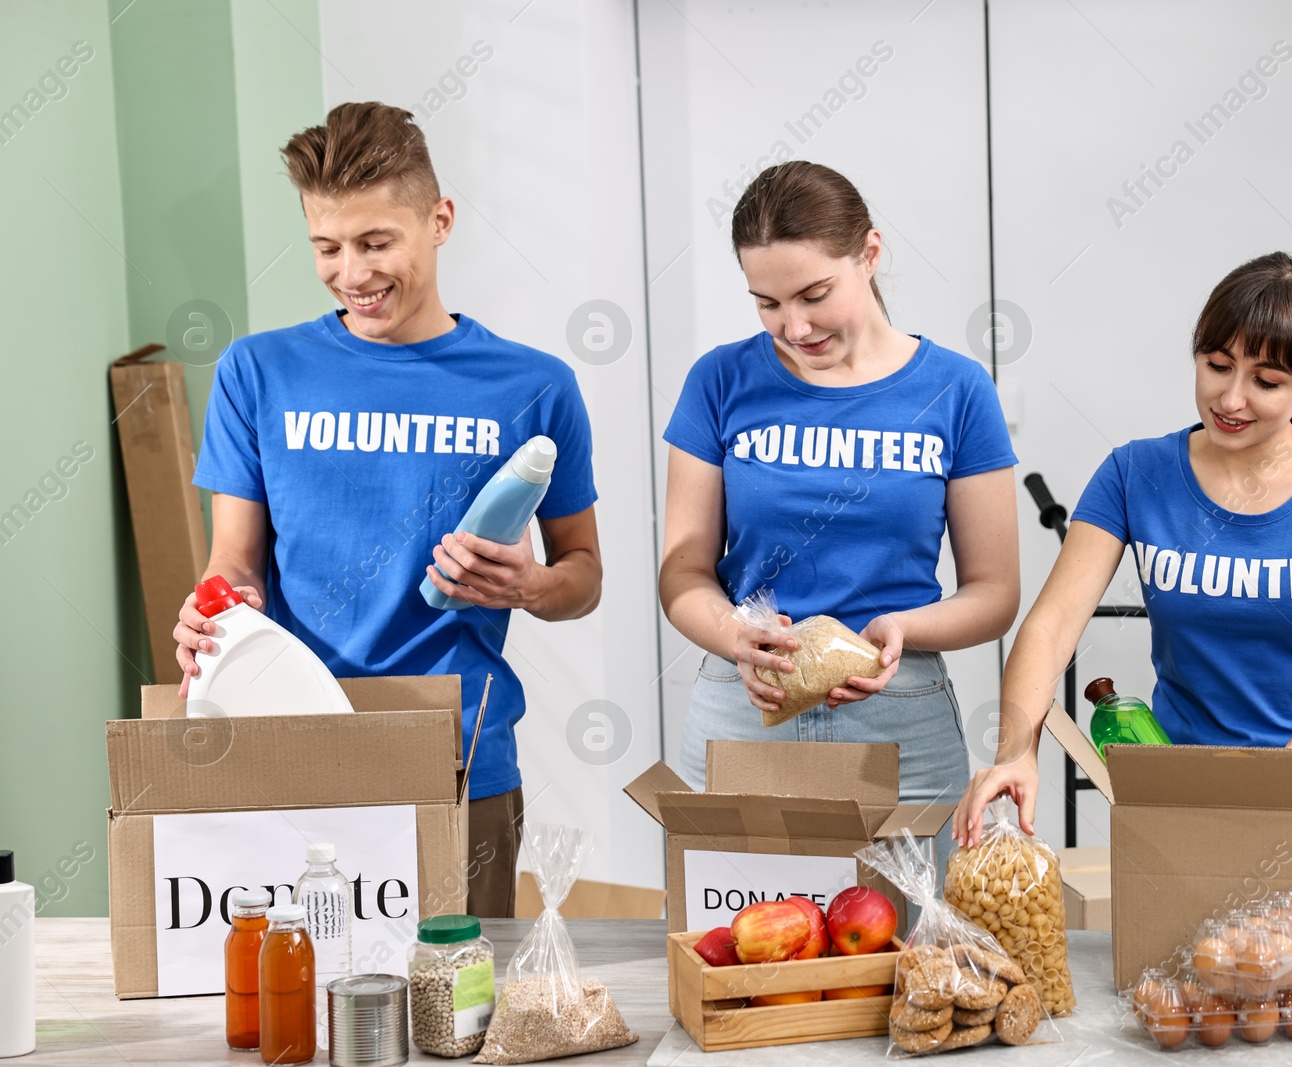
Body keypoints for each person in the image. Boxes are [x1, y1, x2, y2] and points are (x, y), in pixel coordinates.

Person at [172, 102, 602, 916]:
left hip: (460, 756)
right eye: (326, 248)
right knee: (301, 1006)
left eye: (376, 243)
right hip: (292, 739)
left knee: (460, 1009)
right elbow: (234, 558)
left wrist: (527, 585)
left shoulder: (534, 387)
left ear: (439, 220)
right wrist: (217, 607)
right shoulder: (257, 372)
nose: (352, 274)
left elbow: (583, 575)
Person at [954, 251, 1292, 846]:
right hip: (1184, 804)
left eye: (1266, 381)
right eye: (1216, 365)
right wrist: (1015, 751)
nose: (1230, 399)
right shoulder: (1136, 474)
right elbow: (1051, 628)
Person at [659, 161, 1021, 862]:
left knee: (911, 963)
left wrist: (900, 629)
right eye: (766, 302)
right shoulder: (719, 382)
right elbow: (683, 570)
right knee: (738, 953)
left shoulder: (956, 390)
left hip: (900, 718)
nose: (793, 326)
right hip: (745, 706)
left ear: (870, 254)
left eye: (814, 294)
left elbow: (995, 592)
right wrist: (734, 634)